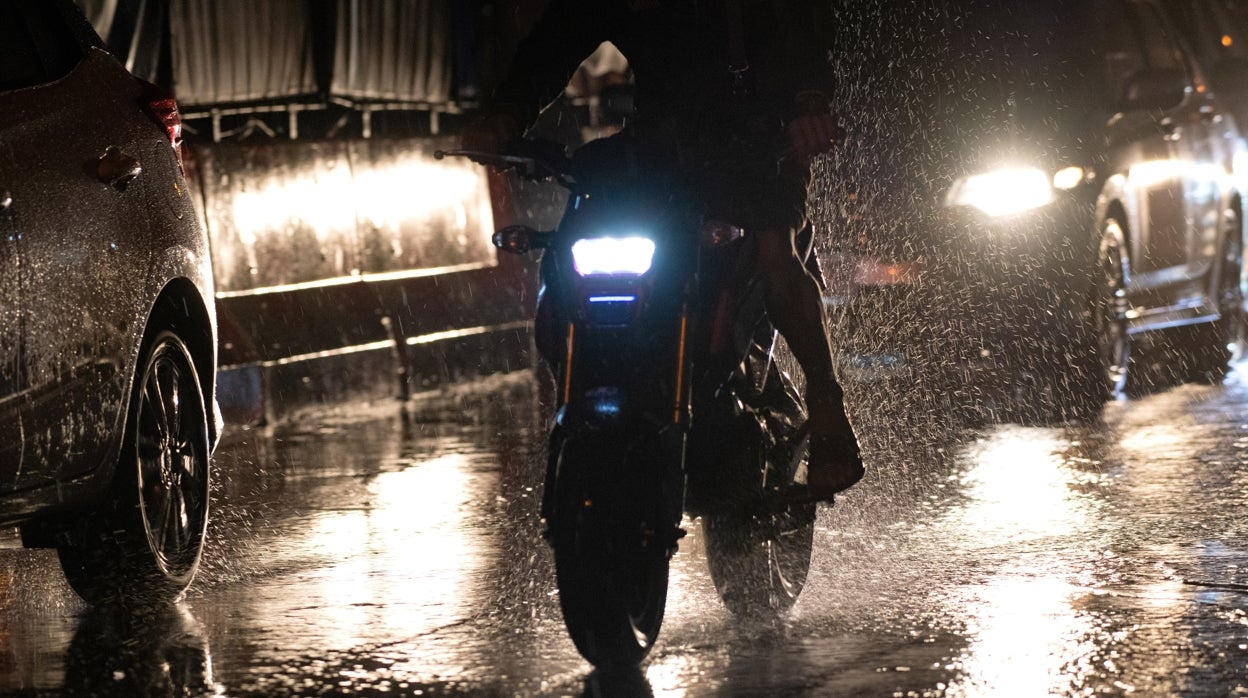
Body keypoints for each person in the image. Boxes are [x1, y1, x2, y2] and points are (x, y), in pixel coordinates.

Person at [463, 0, 862, 501]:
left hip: (760, 136)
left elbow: (799, 30)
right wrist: (506, 113)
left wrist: (808, 106)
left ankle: (827, 404)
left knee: (773, 251)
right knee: (577, 232)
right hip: (660, 144)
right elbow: (556, 40)